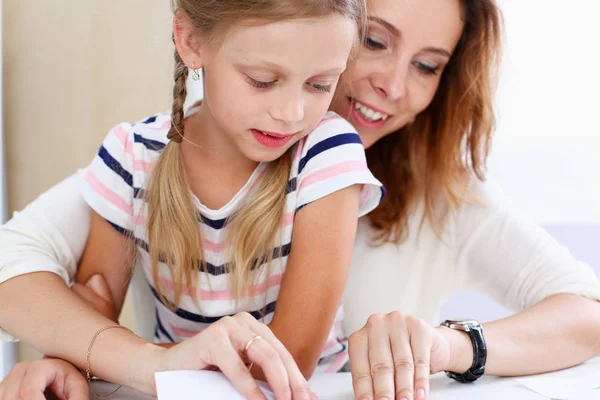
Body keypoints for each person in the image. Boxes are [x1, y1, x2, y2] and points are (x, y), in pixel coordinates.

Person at [2, 0, 600, 399]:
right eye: (374, 41)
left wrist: (449, 344)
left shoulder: (372, 172)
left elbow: (589, 312)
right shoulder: (142, 154)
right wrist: (79, 362)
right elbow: (48, 286)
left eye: (426, 65)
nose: (392, 85)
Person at [0, 0, 386, 398]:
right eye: (262, 80)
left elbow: (287, 360)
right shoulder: (131, 157)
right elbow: (89, 321)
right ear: (190, 40)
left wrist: (120, 355)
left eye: (320, 85)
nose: (291, 112)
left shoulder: (327, 153)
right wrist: (79, 356)